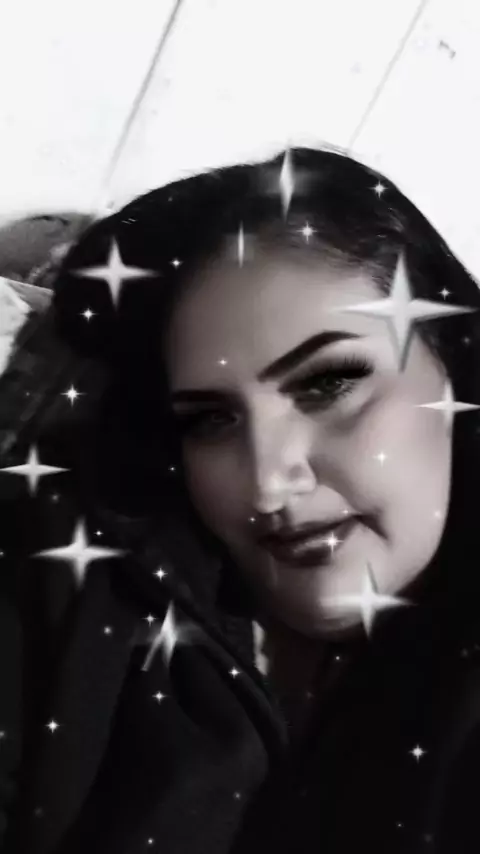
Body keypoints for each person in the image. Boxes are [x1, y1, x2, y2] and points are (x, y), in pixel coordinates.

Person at [4, 146, 480, 854]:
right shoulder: (74, 578)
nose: (266, 481)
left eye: (328, 383)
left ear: (456, 365)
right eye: (211, 419)